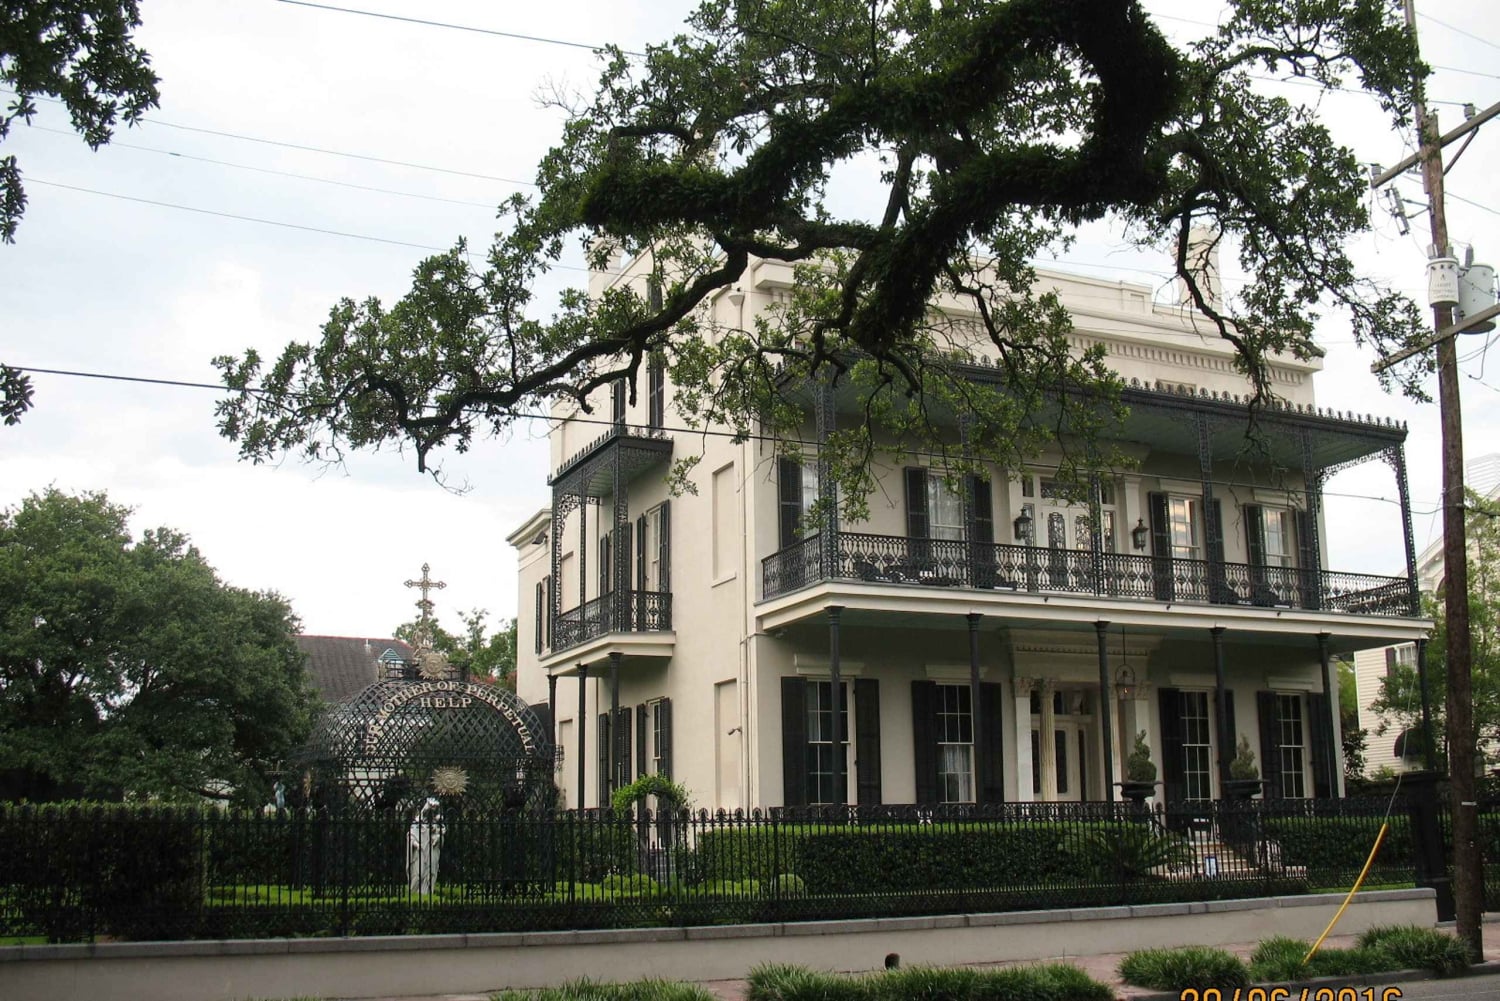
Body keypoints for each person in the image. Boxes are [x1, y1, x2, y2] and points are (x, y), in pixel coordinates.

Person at [407, 796, 444, 895]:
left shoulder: (436, 824)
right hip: (419, 853)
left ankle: (427, 893)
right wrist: (416, 844)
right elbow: (410, 836)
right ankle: (414, 894)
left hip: (431, 851)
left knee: (430, 874)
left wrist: (437, 839)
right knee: (418, 874)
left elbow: (440, 836)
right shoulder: (417, 822)